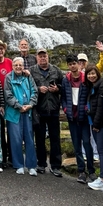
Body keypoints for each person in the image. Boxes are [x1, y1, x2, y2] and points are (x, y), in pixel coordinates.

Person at [29, 47, 64, 177]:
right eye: (40, 56)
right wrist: (38, 89)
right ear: (36, 58)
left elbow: (64, 87)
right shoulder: (32, 71)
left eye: (44, 56)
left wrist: (57, 89)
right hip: (39, 109)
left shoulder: (56, 70)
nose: (43, 58)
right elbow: (28, 87)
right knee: (40, 138)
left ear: (48, 57)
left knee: (55, 138)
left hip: (54, 109)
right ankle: (41, 164)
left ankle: (56, 166)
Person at [61, 54, 96, 184]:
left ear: (79, 64)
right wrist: (65, 109)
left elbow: (91, 95)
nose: (72, 66)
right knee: (76, 145)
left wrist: (88, 109)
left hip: (84, 117)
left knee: (87, 143)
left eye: (74, 63)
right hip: (72, 117)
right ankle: (81, 171)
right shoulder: (66, 80)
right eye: (70, 64)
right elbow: (63, 98)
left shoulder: (85, 78)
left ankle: (91, 171)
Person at [4, 57, 38, 175]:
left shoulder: (28, 77)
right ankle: (18, 165)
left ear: (23, 66)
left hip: (27, 112)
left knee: (29, 138)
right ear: (12, 66)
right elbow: (8, 95)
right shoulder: (8, 77)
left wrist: (30, 104)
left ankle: (31, 165)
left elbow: (35, 91)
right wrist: (19, 106)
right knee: (16, 139)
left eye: (20, 65)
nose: (18, 67)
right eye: (16, 65)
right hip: (14, 113)